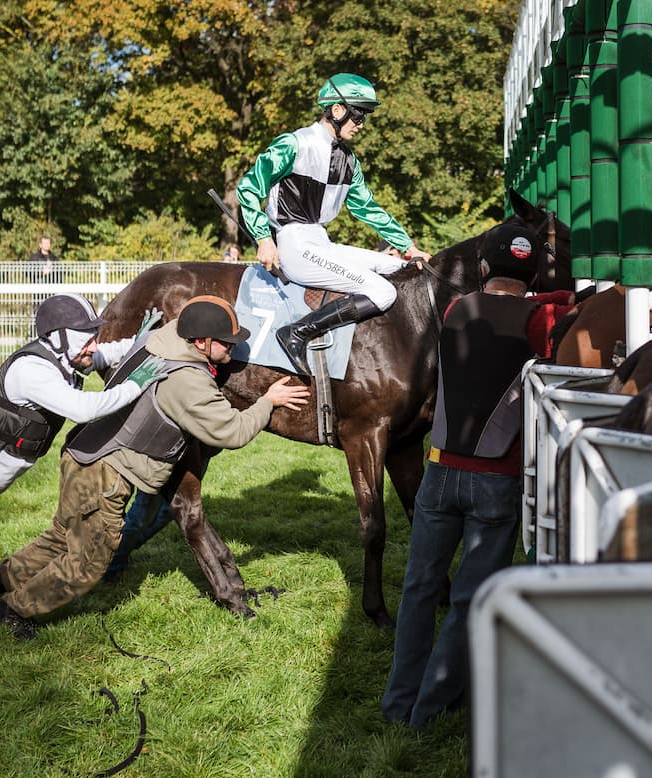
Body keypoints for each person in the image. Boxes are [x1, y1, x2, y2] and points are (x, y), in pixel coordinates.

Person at [0, 296, 310, 640]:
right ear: (201, 342)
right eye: (227, 342)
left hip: (83, 454)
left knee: (62, 540)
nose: (233, 348)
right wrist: (268, 402)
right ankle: (12, 610)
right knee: (88, 563)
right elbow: (232, 431)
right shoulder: (187, 379)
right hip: (104, 475)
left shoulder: (159, 340)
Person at [0, 294, 165, 686]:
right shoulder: (33, 371)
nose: (92, 345)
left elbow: (106, 353)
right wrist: (135, 384)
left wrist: (141, 341)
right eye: (86, 338)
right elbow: (86, 409)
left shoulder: (67, 358)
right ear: (59, 338)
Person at [381, 224, 575, 728]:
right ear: (532, 276)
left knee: (420, 587)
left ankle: (398, 701)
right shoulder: (543, 318)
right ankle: (429, 709)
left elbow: (503, 297)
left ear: (484, 268)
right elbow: (566, 300)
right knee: (469, 599)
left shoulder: (455, 309)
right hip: (497, 481)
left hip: (439, 473)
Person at [235, 73, 432, 375]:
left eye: (365, 116)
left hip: (320, 242)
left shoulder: (349, 161)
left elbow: (367, 208)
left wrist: (409, 247)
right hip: (294, 244)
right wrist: (263, 237)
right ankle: (297, 332)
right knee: (384, 293)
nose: (362, 123)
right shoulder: (294, 144)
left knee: (400, 269)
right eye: (358, 114)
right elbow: (248, 187)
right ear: (337, 110)